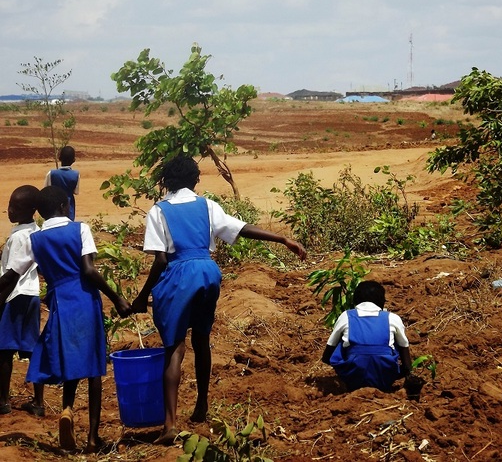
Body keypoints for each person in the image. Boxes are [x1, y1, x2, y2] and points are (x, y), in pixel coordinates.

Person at [130, 154, 306, 445]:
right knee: (201, 339)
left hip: (180, 274)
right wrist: (282, 239)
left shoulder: (158, 211)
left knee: (174, 349)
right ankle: (202, 404)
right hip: (208, 272)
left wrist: (141, 296)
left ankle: (170, 424)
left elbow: (161, 260)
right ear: (196, 179)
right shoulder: (207, 205)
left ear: (167, 180)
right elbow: (241, 229)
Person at [10, 185, 132, 452]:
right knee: (94, 367)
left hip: (59, 302)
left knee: (74, 360)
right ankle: (92, 437)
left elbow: (11, 276)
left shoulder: (35, 239)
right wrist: (117, 297)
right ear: (65, 207)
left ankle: (67, 409)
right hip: (84, 299)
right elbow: (88, 270)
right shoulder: (80, 229)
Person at [0, 185, 44, 417]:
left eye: (16, 207)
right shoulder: (35, 231)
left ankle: (3, 401)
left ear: (32, 210)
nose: (10, 211)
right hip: (32, 294)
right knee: (31, 348)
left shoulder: (18, 237)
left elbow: (11, 275)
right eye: (9, 205)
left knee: (5, 349)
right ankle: (38, 401)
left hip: (15, 295)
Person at [321, 280, 412, 392]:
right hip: (385, 377)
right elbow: (406, 360)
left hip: (353, 377)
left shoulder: (346, 316)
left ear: (355, 300)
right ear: (382, 301)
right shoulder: (392, 318)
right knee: (393, 342)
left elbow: (327, 356)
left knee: (343, 342)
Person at [45, 146, 79, 220]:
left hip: (53, 206)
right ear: (74, 160)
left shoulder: (51, 173)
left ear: (59, 158)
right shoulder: (76, 174)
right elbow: (76, 192)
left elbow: (46, 190)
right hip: (69, 206)